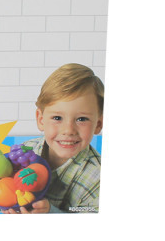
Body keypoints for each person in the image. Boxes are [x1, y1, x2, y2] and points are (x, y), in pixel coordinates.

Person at [8, 63, 103, 214]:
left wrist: (50, 213)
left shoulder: (98, 178)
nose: (68, 130)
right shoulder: (26, 150)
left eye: (82, 119)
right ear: (41, 120)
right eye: (57, 118)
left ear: (98, 124)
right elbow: (8, 191)